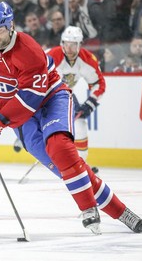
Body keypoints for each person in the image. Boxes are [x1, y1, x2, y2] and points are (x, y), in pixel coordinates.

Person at [0, 1, 142, 234]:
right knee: (68, 168)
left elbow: (30, 98)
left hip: (51, 99)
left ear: (11, 25)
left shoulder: (28, 50)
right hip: (17, 115)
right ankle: (122, 212)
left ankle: (88, 208)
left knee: (60, 148)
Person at [47, 26, 105, 174]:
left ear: (79, 45)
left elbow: (98, 83)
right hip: (44, 94)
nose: (69, 48)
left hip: (65, 94)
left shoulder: (87, 60)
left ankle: (81, 164)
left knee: (79, 122)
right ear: (62, 43)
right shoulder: (52, 56)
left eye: (73, 44)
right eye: (66, 43)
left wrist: (91, 102)